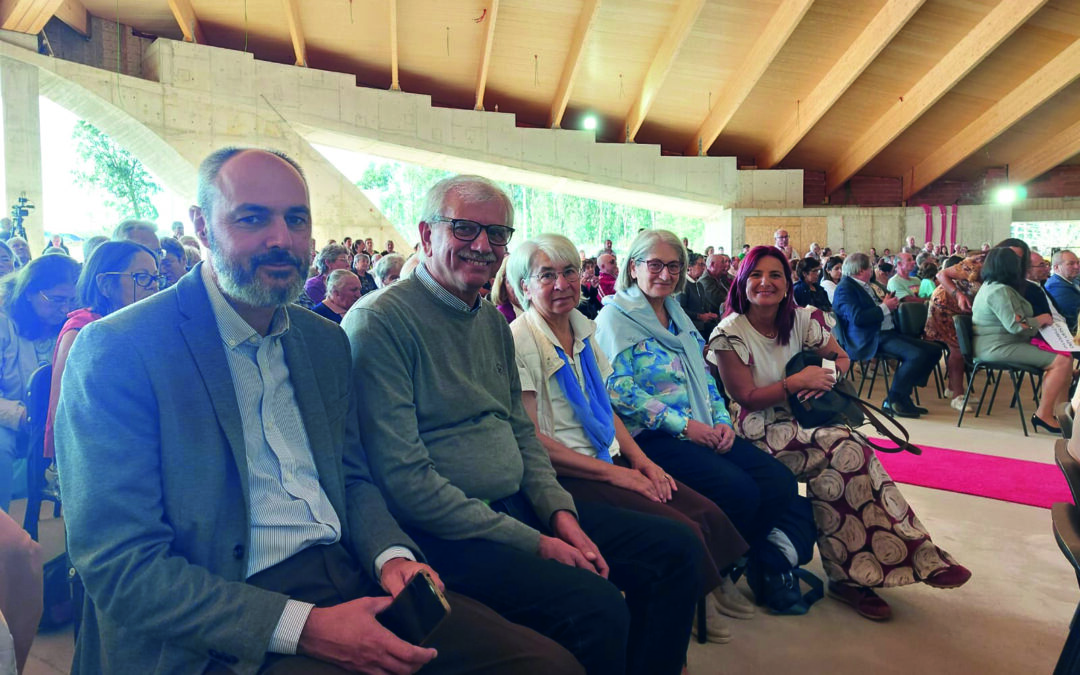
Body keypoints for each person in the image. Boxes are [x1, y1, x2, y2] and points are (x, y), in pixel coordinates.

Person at [55, 148, 579, 675]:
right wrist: (302, 626)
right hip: (223, 609)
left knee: (548, 666)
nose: (280, 238)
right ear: (201, 224)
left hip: (347, 570)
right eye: (253, 217)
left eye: (296, 219)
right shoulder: (120, 350)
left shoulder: (322, 343)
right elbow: (120, 564)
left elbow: (350, 477)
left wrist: (391, 555)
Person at [344, 175, 700, 675]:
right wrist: (537, 541)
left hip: (520, 506)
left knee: (675, 550)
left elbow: (520, 433)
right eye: (464, 229)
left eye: (497, 234)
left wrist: (560, 514)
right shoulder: (381, 322)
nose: (483, 246)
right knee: (596, 606)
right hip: (448, 531)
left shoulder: (487, 319)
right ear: (426, 236)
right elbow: (405, 481)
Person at [506, 234, 752, 643]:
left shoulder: (582, 328)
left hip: (606, 455)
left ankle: (687, 605)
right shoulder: (520, 339)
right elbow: (534, 443)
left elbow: (607, 408)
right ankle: (672, 625)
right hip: (567, 474)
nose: (562, 284)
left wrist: (642, 462)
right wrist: (619, 476)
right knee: (680, 535)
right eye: (546, 275)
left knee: (705, 510)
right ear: (524, 287)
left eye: (569, 271)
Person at [708, 245, 970, 621]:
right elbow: (745, 397)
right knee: (847, 448)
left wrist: (825, 379)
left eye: (775, 275)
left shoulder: (801, 319)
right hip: (757, 426)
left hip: (807, 417)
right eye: (755, 275)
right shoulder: (730, 332)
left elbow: (842, 358)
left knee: (847, 460)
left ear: (787, 284)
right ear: (742, 281)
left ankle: (857, 574)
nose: (765, 282)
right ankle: (901, 560)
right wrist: (796, 381)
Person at [594, 229, 800, 616]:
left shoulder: (677, 315)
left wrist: (722, 421)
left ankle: (726, 567)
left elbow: (706, 379)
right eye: (654, 265)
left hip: (704, 427)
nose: (665, 274)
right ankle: (704, 580)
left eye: (673, 266)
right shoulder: (614, 318)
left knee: (779, 483)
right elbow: (618, 390)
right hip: (652, 437)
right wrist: (686, 427)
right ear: (634, 267)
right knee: (741, 491)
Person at [44, 241, 163, 467]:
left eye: (156, 278)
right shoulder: (81, 331)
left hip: (130, 438)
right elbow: (67, 414)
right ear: (106, 285)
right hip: (89, 452)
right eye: (142, 277)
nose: (154, 287)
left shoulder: (142, 324)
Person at [0, 254, 80, 511]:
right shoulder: (4, 323)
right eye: (57, 300)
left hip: (57, 419)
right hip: (12, 416)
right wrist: (24, 415)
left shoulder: (74, 324)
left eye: (71, 300)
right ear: (29, 294)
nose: (66, 308)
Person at [972, 248, 1072, 434]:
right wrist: (1041, 319)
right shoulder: (999, 291)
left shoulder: (993, 286)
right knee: (1062, 361)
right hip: (998, 346)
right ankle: (1044, 414)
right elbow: (1016, 326)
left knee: (1064, 357)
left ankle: (1061, 412)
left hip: (1004, 342)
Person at [833, 253, 941, 418]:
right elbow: (858, 319)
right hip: (870, 337)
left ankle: (902, 393)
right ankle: (895, 398)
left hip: (888, 332)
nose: (873, 270)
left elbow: (881, 306)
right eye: (870, 267)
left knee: (934, 350)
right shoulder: (845, 288)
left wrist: (890, 304)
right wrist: (885, 307)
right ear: (861, 270)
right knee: (916, 356)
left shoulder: (870, 285)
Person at [926, 238, 1030, 408]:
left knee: (963, 348)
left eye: (1018, 257)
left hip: (969, 308)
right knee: (958, 348)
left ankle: (953, 389)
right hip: (946, 303)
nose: (1013, 259)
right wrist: (958, 295)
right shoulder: (978, 262)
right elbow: (941, 275)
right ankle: (958, 396)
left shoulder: (1012, 273)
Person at [680, 252, 719, 335]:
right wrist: (700, 316)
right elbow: (681, 309)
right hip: (691, 325)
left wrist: (709, 314)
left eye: (704, 265)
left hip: (702, 323)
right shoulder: (683, 285)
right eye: (700, 265)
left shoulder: (699, 285)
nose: (703, 268)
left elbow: (703, 306)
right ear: (689, 267)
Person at [1045, 250, 1080, 332]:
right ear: (1056, 267)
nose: (1077, 267)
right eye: (1071, 264)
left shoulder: (1072, 280)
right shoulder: (1055, 286)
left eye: (1078, 263)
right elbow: (1072, 316)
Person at [491, 257, 521, 323]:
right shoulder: (501, 316)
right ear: (502, 284)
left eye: (522, 278)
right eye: (512, 280)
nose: (518, 285)